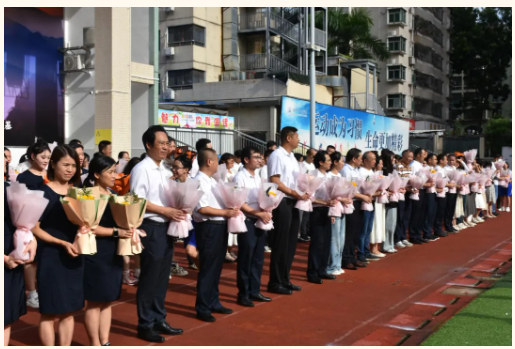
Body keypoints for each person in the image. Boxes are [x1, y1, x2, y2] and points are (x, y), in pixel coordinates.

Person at [130, 125, 184, 343]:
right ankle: (145, 324)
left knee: (162, 276)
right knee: (150, 277)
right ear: (148, 145)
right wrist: (164, 210)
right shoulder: (142, 169)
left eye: (166, 143)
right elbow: (136, 200)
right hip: (151, 227)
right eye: (160, 143)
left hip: (167, 226)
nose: (165, 147)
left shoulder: (164, 168)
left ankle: (159, 318)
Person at [31, 145, 84, 346]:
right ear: (53, 164)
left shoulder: (79, 192)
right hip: (52, 256)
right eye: (65, 165)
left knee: (69, 310)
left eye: (74, 165)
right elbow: (35, 228)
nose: (70, 169)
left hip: (75, 255)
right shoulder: (42, 193)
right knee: (49, 311)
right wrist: (61, 242)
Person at [83, 156, 130, 346]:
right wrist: (117, 231)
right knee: (94, 302)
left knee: (108, 300)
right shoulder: (87, 195)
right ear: (96, 174)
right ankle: (95, 343)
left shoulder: (112, 194)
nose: (114, 175)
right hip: (95, 253)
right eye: (110, 172)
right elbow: (89, 227)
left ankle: (105, 341)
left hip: (112, 252)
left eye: (114, 171)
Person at [193, 148, 240, 322]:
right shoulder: (199, 181)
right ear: (209, 162)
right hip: (208, 226)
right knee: (208, 267)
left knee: (216, 266)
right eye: (217, 160)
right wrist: (225, 213)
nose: (219, 164)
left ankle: (213, 301)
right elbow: (202, 208)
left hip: (219, 225)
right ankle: (203, 306)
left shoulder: (212, 181)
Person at [266, 127, 309, 294]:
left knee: (291, 243)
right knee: (280, 243)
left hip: (292, 201)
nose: (299, 140)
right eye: (297, 137)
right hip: (281, 201)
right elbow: (275, 180)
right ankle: (275, 282)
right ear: (288, 138)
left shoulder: (291, 157)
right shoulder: (277, 155)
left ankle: (285, 278)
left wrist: (302, 191)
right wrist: (293, 192)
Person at [233, 146, 273, 307]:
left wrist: (269, 207)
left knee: (258, 258)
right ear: (246, 159)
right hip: (248, 220)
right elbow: (238, 202)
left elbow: (267, 195)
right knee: (246, 258)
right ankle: (243, 294)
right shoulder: (239, 177)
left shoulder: (258, 176)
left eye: (260, 157)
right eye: (256, 157)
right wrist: (258, 213)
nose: (259, 159)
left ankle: (254, 291)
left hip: (260, 220)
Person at [4, 156, 38, 346]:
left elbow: (24, 222)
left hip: (12, 257)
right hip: (6, 258)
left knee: (6, 316)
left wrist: (31, 240)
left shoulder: (11, 188)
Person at [16, 140, 51, 310]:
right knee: (32, 259)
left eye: (48, 157)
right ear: (32, 156)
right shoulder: (24, 177)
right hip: (31, 221)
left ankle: (43, 289)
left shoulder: (51, 174)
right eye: (43, 157)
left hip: (50, 222)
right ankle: (32, 292)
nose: (46, 160)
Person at [306, 151, 337, 284]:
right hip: (316, 210)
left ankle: (322, 270)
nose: (330, 162)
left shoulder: (329, 176)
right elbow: (309, 197)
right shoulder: (312, 175)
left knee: (326, 242)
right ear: (321, 162)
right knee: (317, 243)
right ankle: (312, 272)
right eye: (328, 160)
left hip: (327, 210)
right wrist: (325, 202)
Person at [341, 148, 369, 270]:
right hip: (350, 202)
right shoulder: (346, 171)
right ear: (354, 159)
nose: (361, 161)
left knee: (356, 232)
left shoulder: (355, 171)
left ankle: (352, 256)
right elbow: (347, 189)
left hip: (358, 203)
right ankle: (346, 258)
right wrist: (362, 195)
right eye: (360, 158)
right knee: (349, 232)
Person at [172, 155, 199, 270]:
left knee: (191, 250)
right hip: (181, 222)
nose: (174, 170)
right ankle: (205, 277)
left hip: (195, 222)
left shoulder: (195, 183)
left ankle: (209, 272)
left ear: (186, 170)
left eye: (177, 167)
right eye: (172, 167)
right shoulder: (172, 184)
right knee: (190, 252)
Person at [325, 151, 348, 276]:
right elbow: (329, 194)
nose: (343, 163)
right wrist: (343, 198)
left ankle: (337, 264)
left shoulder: (340, 176)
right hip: (333, 209)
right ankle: (332, 265)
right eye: (342, 161)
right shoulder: (329, 176)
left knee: (341, 238)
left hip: (342, 209)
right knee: (334, 239)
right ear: (335, 162)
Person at [358, 151, 381, 263]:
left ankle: (366, 252)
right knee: (362, 230)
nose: (374, 161)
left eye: (375, 159)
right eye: (372, 159)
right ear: (365, 160)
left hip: (371, 202)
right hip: (363, 202)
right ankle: (361, 253)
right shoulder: (361, 172)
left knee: (368, 229)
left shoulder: (371, 171)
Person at [381, 149, 403, 254]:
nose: (394, 160)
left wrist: (399, 189)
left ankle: (390, 243)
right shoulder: (383, 171)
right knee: (387, 223)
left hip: (393, 199)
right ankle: (385, 245)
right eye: (392, 158)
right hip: (385, 200)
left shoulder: (393, 170)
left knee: (392, 222)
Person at [394, 150, 414, 249]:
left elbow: (411, 180)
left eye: (412, 157)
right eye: (409, 157)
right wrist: (407, 188)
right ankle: (397, 238)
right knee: (400, 216)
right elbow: (399, 181)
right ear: (403, 156)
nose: (411, 159)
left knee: (406, 216)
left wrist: (414, 186)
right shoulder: (398, 166)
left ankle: (403, 236)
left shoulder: (410, 167)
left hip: (408, 193)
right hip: (400, 193)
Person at [369, 152, 386, 258]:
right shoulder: (370, 174)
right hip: (373, 200)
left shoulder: (380, 175)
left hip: (380, 200)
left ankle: (376, 247)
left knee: (380, 223)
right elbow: (367, 187)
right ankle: (372, 248)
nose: (381, 165)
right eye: (379, 163)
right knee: (374, 224)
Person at [298, 148, 317, 242]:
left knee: (307, 216)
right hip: (303, 193)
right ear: (308, 155)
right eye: (312, 156)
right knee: (301, 215)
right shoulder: (302, 165)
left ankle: (305, 232)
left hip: (311, 193)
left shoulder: (313, 166)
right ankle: (300, 233)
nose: (313, 158)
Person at [421, 153, 440, 241]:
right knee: (428, 213)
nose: (436, 161)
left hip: (433, 191)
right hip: (427, 192)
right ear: (429, 160)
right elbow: (421, 181)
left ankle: (429, 231)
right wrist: (428, 183)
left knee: (432, 212)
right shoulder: (425, 169)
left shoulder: (433, 169)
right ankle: (426, 232)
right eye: (435, 159)